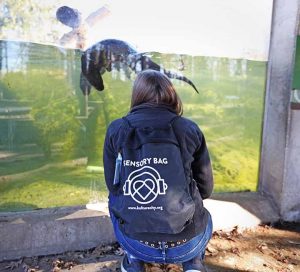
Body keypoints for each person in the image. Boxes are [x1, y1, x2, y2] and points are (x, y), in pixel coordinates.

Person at [103, 70, 214, 272]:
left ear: (137, 96)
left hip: (137, 242)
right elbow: (206, 189)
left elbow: (113, 184)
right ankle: (193, 263)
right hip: (187, 243)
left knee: (114, 196)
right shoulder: (189, 129)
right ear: (172, 95)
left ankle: (134, 260)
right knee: (197, 200)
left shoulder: (116, 129)